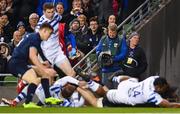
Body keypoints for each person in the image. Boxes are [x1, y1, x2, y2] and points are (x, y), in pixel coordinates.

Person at [8, 23, 62, 108]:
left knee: (45, 75)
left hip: (21, 63)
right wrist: (43, 68)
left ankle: (48, 98)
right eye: (50, 33)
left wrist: (45, 61)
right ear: (44, 31)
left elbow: (39, 51)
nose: (49, 36)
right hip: (16, 64)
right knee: (35, 80)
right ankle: (27, 103)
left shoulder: (35, 37)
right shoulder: (35, 38)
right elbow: (32, 56)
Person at [77, 75, 180, 108]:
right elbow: (168, 105)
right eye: (162, 88)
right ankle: (79, 86)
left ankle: (116, 78)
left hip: (128, 85)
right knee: (97, 102)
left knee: (133, 79)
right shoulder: (151, 95)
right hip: (124, 97)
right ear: (157, 87)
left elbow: (165, 85)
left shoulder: (153, 78)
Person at [35, 3, 75, 77]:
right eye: (48, 12)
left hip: (57, 52)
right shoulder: (40, 26)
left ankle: (64, 88)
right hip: (46, 54)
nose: (51, 14)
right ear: (43, 12)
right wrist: (42, 58)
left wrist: (71, 13)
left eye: (52, 12)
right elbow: (36, 43)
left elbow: (62, 18)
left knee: (72, 74)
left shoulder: (56, 15)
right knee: (48, 79)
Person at [96, 23, 127, 88]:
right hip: (105, 70)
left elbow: (124, 53)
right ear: (108, 31)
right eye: (110, 32)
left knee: (117, 91)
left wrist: (113, 59)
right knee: (107, 92)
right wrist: (101, 54)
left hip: (117, 70)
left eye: (113, 32)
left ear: (116, 31)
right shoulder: (103, 38)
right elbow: (98, 50)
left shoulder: (121, 39)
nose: (112, 34)